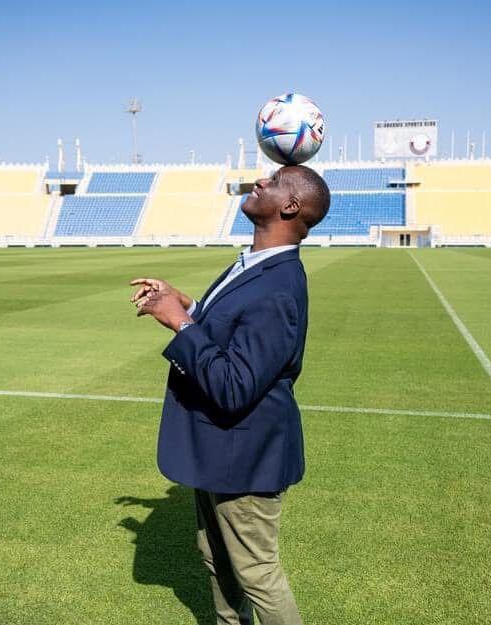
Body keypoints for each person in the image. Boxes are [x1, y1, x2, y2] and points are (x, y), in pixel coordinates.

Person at [129, 165, 330, 625]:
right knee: (218, 563)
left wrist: (178, 323)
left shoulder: (279, 285)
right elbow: (234, 335)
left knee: (257, 573)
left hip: (246, 455)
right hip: (221, 450)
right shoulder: (256, 263)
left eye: (273, 182)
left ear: (290, 206)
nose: (259, 181)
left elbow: (235, 384)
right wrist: (190, 306)